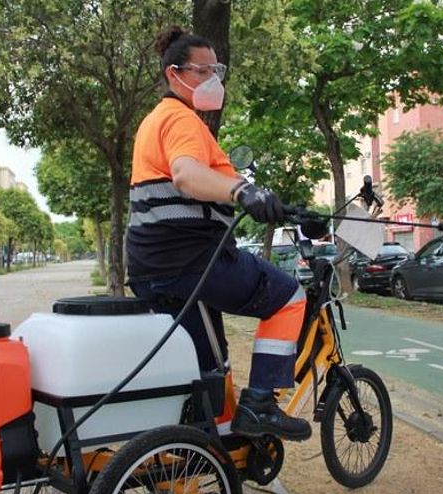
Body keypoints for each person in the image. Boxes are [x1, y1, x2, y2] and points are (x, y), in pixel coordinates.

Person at [126, 26, 311, 441]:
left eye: (217, 71)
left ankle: (211, 452)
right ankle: (261, 402)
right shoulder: (183, 120)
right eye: (203, 71)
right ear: (175, 74)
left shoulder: (154, 121)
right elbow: (187, 174)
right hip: (191, 263)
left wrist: (255, 197)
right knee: (289, 298)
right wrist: (242, 190)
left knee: (209, 367)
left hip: (150, 269)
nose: (213, 81)